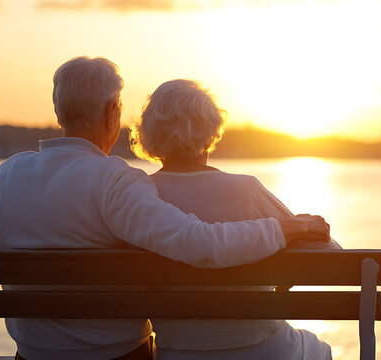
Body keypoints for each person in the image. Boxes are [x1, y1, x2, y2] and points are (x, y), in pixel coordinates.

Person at [0, 57, 330, 360]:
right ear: (111, 112)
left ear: (58, 112)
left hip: (31, 356)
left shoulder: (8, 174)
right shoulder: (115, 180)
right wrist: (282, 229)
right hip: (118, 358)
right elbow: (198, 243)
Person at [130, 79, 340, 360]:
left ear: (149, 133)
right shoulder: (246, 190)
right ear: (211, 132)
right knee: (321, 350)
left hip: (177, 352)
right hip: (263, 350)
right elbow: (333, 258)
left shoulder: (138, 197)